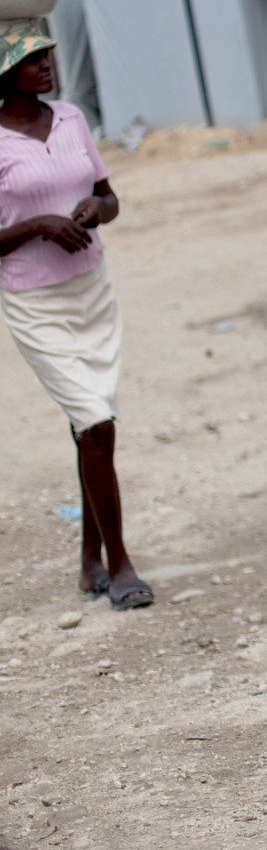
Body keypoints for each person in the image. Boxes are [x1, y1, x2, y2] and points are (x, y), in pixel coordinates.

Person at [0, 31, 151, 610]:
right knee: (96, 424)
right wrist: (37, 224)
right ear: (5, 71)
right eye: (32, 61)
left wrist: (95, 210)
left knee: (93, 426)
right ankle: (120, 566)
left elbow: (109, 197)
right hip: (35, 302)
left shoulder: (70, 119)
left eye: (48, 58)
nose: (46, 68)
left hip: (92, 290)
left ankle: (90, 559)